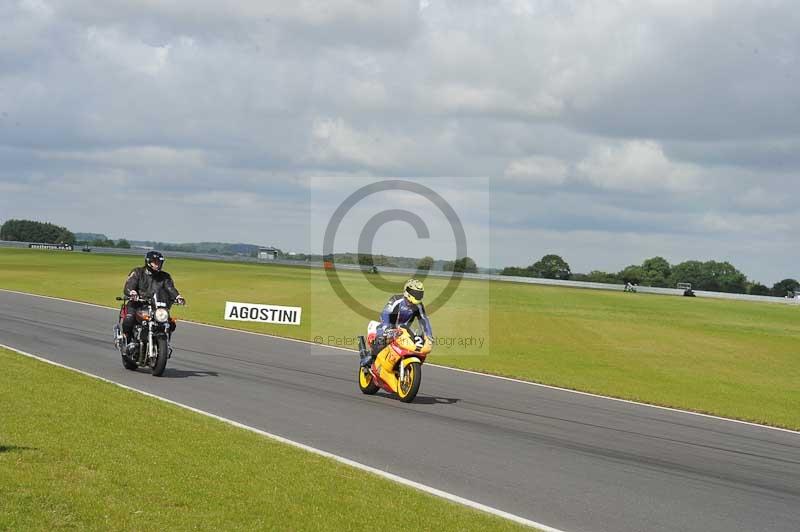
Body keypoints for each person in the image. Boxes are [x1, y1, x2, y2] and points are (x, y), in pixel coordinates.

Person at [360, 279, 433, 367]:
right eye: (417, 294)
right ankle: (370, 358)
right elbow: (385, 314)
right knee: (381, 340)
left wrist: (429, 336)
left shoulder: (418, 305)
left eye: (420, 294)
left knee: (416, 344)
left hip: (404, 330)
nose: (419, 296)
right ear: (408, 292)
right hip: (388, 327)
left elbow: (424, 320)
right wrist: (386, 328)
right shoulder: (396, 300)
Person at [121, 251, 185, 350]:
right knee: (129, 319)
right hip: (138, 304)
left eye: (159, 262)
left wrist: (178, 297)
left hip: (156, 306)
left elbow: (170, 288)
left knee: (170, 324)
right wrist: (132, 292)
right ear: (148, 262)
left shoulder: (165, 276)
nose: (157, 264)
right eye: (155, 262)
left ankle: (164, 346)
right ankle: (127, 341)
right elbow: (129, 285)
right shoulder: (138, 272)